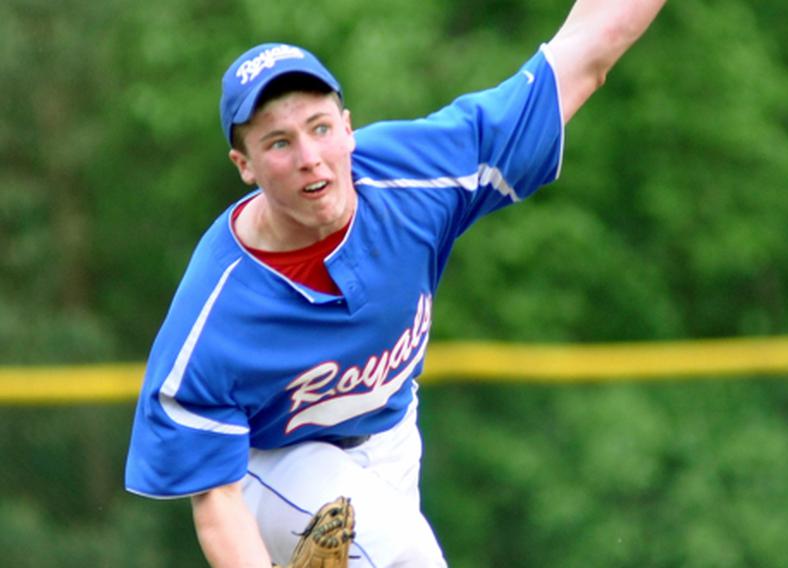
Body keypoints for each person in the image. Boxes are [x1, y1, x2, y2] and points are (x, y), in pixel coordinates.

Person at [124, 1, 667, 566]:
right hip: (271, 465)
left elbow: (585, 55)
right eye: (279, 143)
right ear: (245, 164)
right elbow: (215, 501)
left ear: (348, 129)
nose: (310, 157)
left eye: (320, 128)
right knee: (409, 558)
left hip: (390, 441)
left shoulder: (417, 175)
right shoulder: (217, 309)